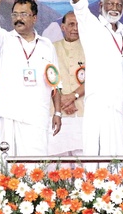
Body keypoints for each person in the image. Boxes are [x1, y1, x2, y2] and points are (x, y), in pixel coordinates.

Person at [54, 0, 123, 162]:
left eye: (119, 4)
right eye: (110, 3)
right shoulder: (92, 26)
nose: (114, 7)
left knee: (117, 160)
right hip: (98, 105)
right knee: (95, 159)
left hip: (118, 107)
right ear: (101, 5)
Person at [0, 0, 61, 167]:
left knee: (36, 168)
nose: (18, 18)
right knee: (8, 168)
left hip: (38, 115)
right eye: (15, 14)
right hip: (12, 115)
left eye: (24, 14)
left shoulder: (47, 44)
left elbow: (55, 81)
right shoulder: (5, 39)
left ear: (34, 17)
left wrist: (58, 112)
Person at [48, 11, 85, 161]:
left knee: (82, 162)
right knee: (57, 163)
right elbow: (48, 78)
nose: (75, 28)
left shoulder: (90, 49)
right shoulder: (50, 48)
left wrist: (72, 97)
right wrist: (62, 101)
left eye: (78, 24)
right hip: (56, 112)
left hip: (82, 111)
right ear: (62, 27)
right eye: (71, 24)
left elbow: (95, 78)